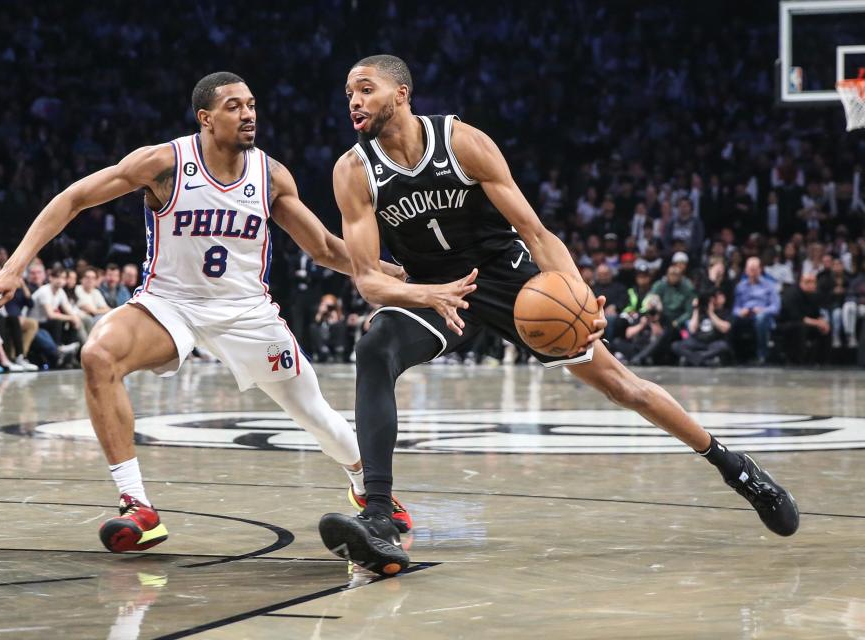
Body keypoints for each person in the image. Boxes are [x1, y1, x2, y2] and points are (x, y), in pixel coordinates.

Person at [318, 55, 798, 576]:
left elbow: (537, 232)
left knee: (622, 386)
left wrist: (580, 297)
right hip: (438, 291)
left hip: (509, 281)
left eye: (366, 89)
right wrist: (426, 294)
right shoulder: (353, 170)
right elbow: (367, 278)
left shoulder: (461, 143)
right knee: (375, 349)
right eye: (349, 94)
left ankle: (737, 469)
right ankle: (381, 518)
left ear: (402, 94)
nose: (355, 101)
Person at [0, 71, 410, 554]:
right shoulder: (164, 163)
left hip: (246, 313)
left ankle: (368, 487)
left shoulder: (269, 175)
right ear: (206, 118)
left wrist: (396, 274)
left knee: (314, 415)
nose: (248, 114)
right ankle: (137, 507)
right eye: (234, 106)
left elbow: (326, 249)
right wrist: (14, 267)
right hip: (170, 306)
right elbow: (73, 199)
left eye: (251, 105)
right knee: (99, 354)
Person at [732, 257, 780, 365]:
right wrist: (740, 311)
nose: (752, 271)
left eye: (755, 269)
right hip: (746, 316)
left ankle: (761, 354)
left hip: (763, 316)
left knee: (760, 318)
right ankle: (736, 355)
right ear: (746, 270)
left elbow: (775, 307)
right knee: (732, 320)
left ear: (760, 269)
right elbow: (735, 308)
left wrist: (763, 310)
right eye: (750, 269)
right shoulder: (740, 286)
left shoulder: (770, 285)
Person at [672, 288, 732, 366]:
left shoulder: (724, 312)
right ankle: (705, 361)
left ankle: (695, 358)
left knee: (723, 346)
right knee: (676, 345)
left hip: (712, 342)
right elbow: (692, 330)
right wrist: (696, 309)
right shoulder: (699, 312)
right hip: (697, 342)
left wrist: (711, 313)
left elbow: (725, 328)